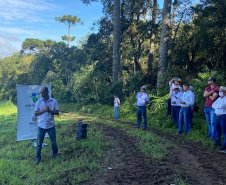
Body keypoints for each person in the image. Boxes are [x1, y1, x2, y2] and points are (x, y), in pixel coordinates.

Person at [34, 87, 60, 165]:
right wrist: (44, 110)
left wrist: (49, 110)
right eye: (41, 93)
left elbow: (57, 112)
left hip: (51, 125)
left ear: (47, 92)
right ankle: (38, 157)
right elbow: (36, 113)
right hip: (41, 125)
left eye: (43, 93)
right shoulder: (39, 102)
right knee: (39, 143)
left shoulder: (54, 101)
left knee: (53, 141)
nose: (42, 95)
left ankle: (55, 154)